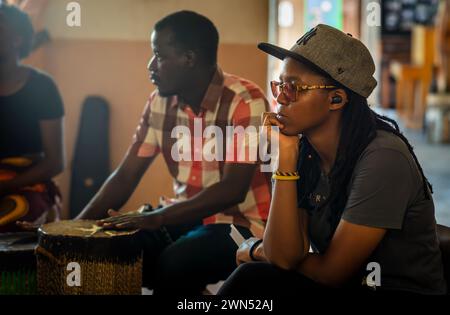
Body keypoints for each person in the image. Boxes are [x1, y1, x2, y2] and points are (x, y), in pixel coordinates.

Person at [218, 24, 447, 295]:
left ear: (336, 99)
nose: (279, 97)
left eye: (293, 88)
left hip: (393, 290)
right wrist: (287, 158)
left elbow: (331, 273)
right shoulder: (306, 151)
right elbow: (284, 255)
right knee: (252, 278)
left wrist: (257, 250)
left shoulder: (383, 159)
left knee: (253, 277)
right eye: (280, 85)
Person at [80, 11, 271, 294]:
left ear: (189, 59)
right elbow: (126, 175)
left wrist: (160, 217)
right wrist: (73, 229)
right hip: (184, 213)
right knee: (118, 246)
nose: (150, 65)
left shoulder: (245, 100)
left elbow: (232, 190)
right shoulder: (159, 102)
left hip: (243, 223)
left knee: (175, 263)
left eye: (158, 55)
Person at [0, 3, 64, 233]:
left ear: (17, 40)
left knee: (14, 218)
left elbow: (55, 161)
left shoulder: (42, 87)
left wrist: (6, 185)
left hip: (25, 185)